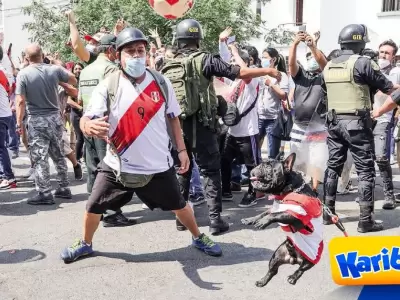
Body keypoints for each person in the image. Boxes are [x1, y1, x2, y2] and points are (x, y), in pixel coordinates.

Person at [60, 27, 222, 263]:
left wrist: (182, 150)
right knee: (93, 206)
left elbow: (173, 117)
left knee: (180, 205)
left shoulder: (161, 82)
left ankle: (198, 237)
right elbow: (88, 117)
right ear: (118, 55)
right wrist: (86, 126)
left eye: (140, 51)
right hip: (117, 165)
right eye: (130, 51)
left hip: (158, 167)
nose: (136, 56)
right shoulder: (109, 85)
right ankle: (85, 244)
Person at [162, 19, 282, 235]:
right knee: (210, 171)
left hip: (177, 127)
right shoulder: (206, 60)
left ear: (178, 40)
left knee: (182, 171)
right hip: (204, 126)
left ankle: (181, 219)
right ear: (197, 39)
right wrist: (267, 71)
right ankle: (216, 221)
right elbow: (240, 73)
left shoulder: (166, 65)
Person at [322, 24, 396, 233]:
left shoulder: (328, 65)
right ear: (360, 42)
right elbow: (388, 87)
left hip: (334, 123)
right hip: (357, 124)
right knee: (365, 171)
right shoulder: (363, 63)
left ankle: (327, 214)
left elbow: (325, 91)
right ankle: (365, 221)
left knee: (333, 166)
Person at [78, 34, 135, 228]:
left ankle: (94, 208)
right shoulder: (111, 69)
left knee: (93, 167)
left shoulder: (86, 70)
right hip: (105, 126)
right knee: (110, 169)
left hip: (88, 125)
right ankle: (112, 212)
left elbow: (80, 100)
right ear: (111, 50)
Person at [15, 44, 77, 204]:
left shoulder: (24, 74)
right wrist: (56, 62)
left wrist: (18, 122)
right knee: (58, 153)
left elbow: (20, 100)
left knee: (39, 156)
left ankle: (44, 192)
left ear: (27, 58)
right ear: (42, 55)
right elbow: (73, 79)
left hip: (37, 119)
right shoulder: (54, 70)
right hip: (55, 118)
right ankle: (64, 187)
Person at [288, 32, 328, 192]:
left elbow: (325, 64)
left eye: (315, 57)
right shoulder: (300, 76)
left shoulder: (326, 77)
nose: (313, 60)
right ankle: (295, 188)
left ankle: (314, 190)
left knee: (316, 161)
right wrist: (295, 44)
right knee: (295, 159)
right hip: (299, 126)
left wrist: (313, 46)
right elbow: (291, 64)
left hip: (318, 127)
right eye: (310, 57)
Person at [372, 40, 400, 209]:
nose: (383, 55)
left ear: (393, 56)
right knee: (366, 159)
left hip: (384, 117)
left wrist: (388, 86)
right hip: (367, 118)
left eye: (387, 53)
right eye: (381, 52)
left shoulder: (396, 71)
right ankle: (366, 193)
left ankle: (389, 195)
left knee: (382, 157)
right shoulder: (371, 68)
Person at [258, 47, 290, 159]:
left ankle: (273, 175)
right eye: (262, 57)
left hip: (273, 118)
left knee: (272, 154)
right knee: (253, 150)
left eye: (265, 57)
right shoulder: (259, 74)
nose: (263, 60)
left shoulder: (281, 75)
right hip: (258, 117)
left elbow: (283, 95)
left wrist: (271, 84)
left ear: (273, 60)